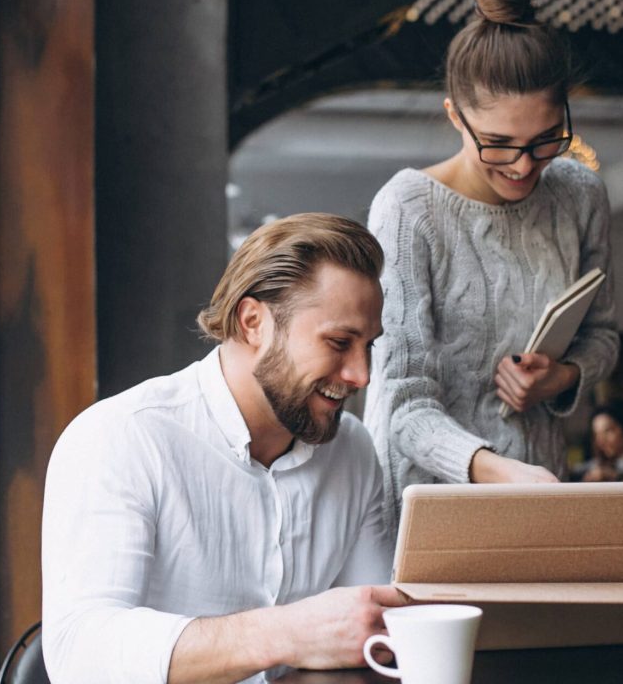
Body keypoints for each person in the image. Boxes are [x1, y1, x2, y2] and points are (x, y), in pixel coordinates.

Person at [41, 213, 405, 684]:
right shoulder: (121, 437)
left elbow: (371, 637)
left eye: (369, 346)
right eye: (339, 343)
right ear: (253, 322)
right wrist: (285, 634)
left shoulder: (352, 449)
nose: (361, 375)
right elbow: (79, 655)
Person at [364, 0, 618, 526]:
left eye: (547, 139)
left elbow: (602, 335)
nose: (525, 166)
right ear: (456, 116)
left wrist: (563, 377)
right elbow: (403, 402)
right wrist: (495, 469)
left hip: (535, 494)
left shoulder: (580, 195)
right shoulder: (408, 210)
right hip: (426, 508)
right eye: (500, 144)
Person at [573, 403, 623, 482]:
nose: (600, 441)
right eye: (596, 435)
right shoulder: (596, 466)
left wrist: (615, 476)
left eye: (607, 431)